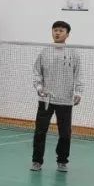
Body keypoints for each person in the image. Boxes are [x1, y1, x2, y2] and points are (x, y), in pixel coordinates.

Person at [30, 20, 84, 172]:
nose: (57, 33)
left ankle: (62, 161)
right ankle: (37, 161)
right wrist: (39, 88)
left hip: (65, 100)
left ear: (67, 34)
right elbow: (37, 72)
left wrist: (78, 92)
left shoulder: (73, 53)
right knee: (40, 132)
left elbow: (78, 74)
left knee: (65, 134)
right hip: (46, 99)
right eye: (55, 30)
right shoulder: (45, 51)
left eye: (61, 30)